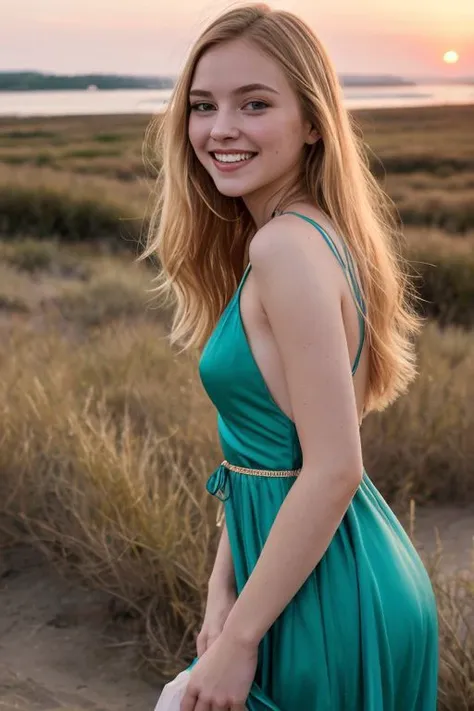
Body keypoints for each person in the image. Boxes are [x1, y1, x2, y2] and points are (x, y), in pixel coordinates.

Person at [141, 4, 439, 710]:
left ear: (312, 122)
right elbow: (271, 458)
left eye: (255, 104)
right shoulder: (317, 235)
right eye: (203, 105)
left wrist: (241, 636)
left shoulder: (284, 249)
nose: (221, 129)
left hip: (324, 596)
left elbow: (335, 465)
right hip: (306, 575)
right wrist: (225, 589)